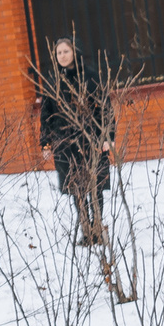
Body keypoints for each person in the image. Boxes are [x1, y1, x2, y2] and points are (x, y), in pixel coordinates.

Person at [37, 37, 114, 244]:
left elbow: (105, 107)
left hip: (91, 141)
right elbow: (46, 114)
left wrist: (107, 137)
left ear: (74, 52)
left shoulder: (89, 77)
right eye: (59, 52)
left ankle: (98, 229)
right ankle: (86, 231)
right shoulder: (53, 82)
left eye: (66, 51)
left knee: (95, 186)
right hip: (65, 144)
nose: (62, 56)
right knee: (76, 190)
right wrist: (45, 142)